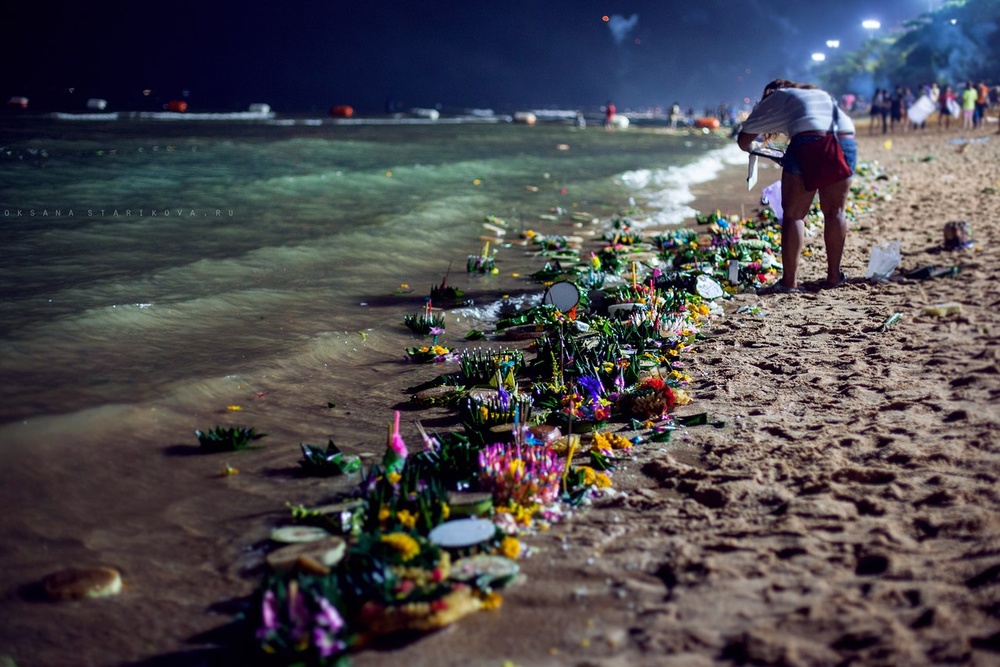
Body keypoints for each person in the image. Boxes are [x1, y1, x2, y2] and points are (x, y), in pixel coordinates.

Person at [737, 78, 857, 292]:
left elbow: (744, 141)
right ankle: (834, 276)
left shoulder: (777, 96)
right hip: (845, 139)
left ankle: (789, 282)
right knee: (835, 212)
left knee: (794, 215)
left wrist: (766, 152)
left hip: (809, 140)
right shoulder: (818, 94)